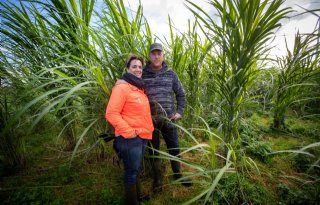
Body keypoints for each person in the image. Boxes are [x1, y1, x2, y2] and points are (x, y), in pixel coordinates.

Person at [143, 43, 192, 192]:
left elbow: (181, 93)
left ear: (163, 55)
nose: (156, 56)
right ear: (149, 56)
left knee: (174, 147)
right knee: (154, 151)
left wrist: (180, 111)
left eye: (159, 53)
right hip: (151, 120)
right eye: (153, 54)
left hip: (169, 119)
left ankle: (178, 174)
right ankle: (158, 179)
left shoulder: (171, 73)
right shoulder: (143, 73)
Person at [105, 54, 154, 205]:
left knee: (135, 169)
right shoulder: (122, 87)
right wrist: (130, 133)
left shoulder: (138, 88)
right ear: (128, 68)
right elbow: (111, 114)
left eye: (140, 67)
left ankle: (138, 196)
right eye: (134, 66)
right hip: (130, 138)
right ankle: (132, 202)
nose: (138, 69)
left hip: (142, 135)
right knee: (131, 172)